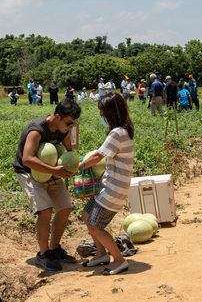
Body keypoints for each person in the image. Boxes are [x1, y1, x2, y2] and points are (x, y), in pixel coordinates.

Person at [13, 99, 81, 272]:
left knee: (65, 207)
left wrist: (72, 166)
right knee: (45, 211)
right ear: (57, 116)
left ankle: (55, 248)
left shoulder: (63, 130)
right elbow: (27, 159)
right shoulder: (36, 130)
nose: (70, 126)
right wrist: (54, 170)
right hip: (29, 171)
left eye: (73, 123)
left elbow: (70, 152)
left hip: (52, 170)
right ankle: (43, 254)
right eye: (68, 123)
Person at [80, 92, 134, 275]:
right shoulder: (122, 131)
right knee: (87, 217)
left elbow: (98, 156)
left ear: (110, 113)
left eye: (102, 111)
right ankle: (101, 254)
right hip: (108, 185)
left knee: (95, 226)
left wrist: (78, 167)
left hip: (113, 189)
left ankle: (119, 260)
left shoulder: (117, 133)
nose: (101, 114)